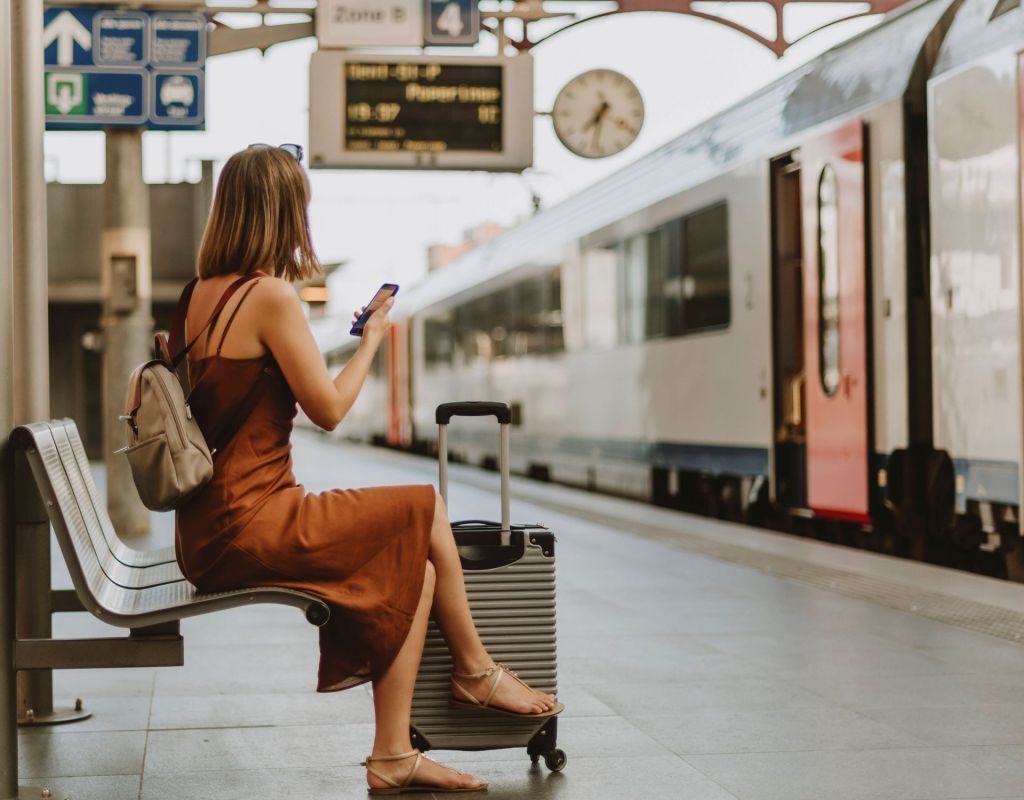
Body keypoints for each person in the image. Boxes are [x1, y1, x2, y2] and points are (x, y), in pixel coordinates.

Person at [172, 143, 562, 795]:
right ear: (284, 212)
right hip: (253, 520)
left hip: (212, 525)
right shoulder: (269, 296)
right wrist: (374, 343)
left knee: (421, 564)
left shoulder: (199, 295)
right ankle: (476, 669)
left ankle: (393, 755)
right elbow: (328, 409)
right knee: (424, 506)